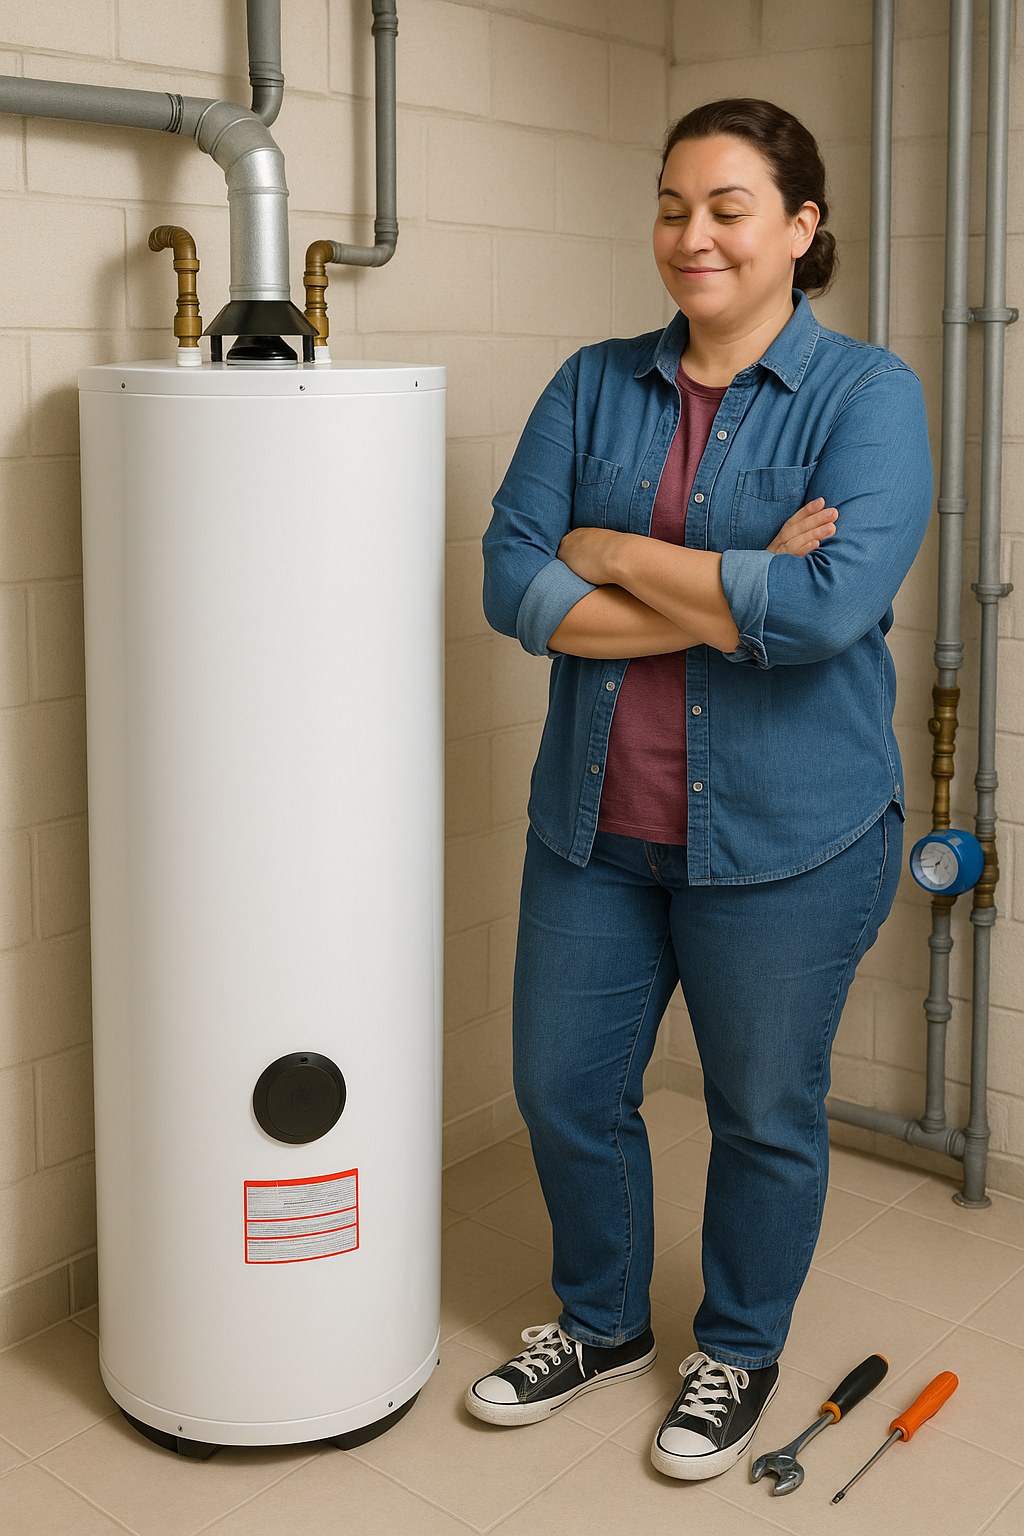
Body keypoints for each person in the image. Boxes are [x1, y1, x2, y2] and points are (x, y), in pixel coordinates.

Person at [467, 98, 933, 1482]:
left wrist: (609, 548)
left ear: (801, 226)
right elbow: (513, 584)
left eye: (730, 206)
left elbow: (833, 610)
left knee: (760, 1113)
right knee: (561, 1088)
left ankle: (736, 1343)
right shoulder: (591, 381)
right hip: (596, 823)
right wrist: (735, 596)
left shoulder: (868, 395)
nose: (693, 235)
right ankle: (602, 1323)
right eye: (675, 206)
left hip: (793, 839)